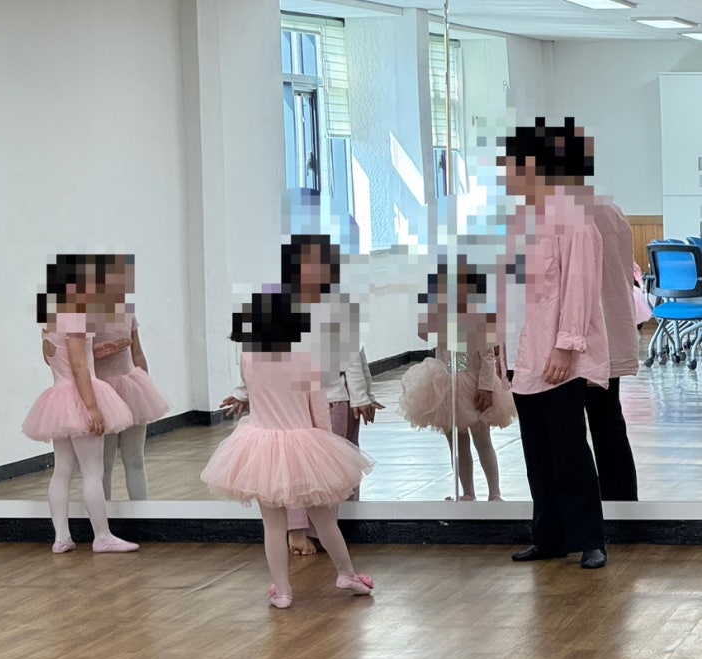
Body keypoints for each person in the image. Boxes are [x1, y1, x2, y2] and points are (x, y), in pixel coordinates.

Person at [201, 288, 375, 609]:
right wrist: (327, 449)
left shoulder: (248, 357)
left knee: (273, 526)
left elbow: (254, 396)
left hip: (261, 444)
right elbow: (318, 410)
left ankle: (282, 591)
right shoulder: (305, 358)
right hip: (303, 443)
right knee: (325, 520)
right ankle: (346, 573)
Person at [221, 234, 382, 555]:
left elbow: (353, 353)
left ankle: (329, 529)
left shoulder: (338, 306)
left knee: (333, 469)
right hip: (300, 403)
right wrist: (243, 392)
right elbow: (260, 360)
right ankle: (297, 531)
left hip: (336, 396)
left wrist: (362, 394)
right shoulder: (283, 305)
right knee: (296, 470)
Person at [498, 118, 609, 569]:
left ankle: (590, 538)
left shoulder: (574, 220)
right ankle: (549, 536)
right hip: (524, 355)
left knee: (568, 449)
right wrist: (499, 346)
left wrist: (566, 346)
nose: (508, 175)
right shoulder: (518, 222)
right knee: (536, 451)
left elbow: (579, 287)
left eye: (512, 166)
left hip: (559, 353)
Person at [22, 255, 140, 553]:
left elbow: (57, 359)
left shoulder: (50, 319)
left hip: (57, 397)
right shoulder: (74, 314)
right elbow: (79, 367)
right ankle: (102, 536)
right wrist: (92, 407)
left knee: (62, 470)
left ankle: (61, 537)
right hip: (79, 396)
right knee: (92, 471)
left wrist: (95, 351)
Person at [399, 262, 515, 500]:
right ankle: (467, 492)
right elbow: (423, 332)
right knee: (457, 443)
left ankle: (494, 492)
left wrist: (486, 386)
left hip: (473, 384)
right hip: (446, 385)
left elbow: (487, 356)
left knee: (482, 438)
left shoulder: (479, 319)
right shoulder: (441, 317)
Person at [91, 254, 170, 500]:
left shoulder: (127, 312)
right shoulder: (87, 316)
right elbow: (80, 359)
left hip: (132, 389)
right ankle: (104, 514)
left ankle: (142, 512)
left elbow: (138, 353)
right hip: (104, 393)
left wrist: (146, 384)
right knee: (104, 464)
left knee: (135, 458)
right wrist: (102, 351)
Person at [582, 198, 639, 501]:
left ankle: (599, 507)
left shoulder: (579, 212)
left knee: (578, 429)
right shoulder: (612, 210)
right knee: (608, 421)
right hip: (607, 331)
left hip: (585, 334)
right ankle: (622, 504)